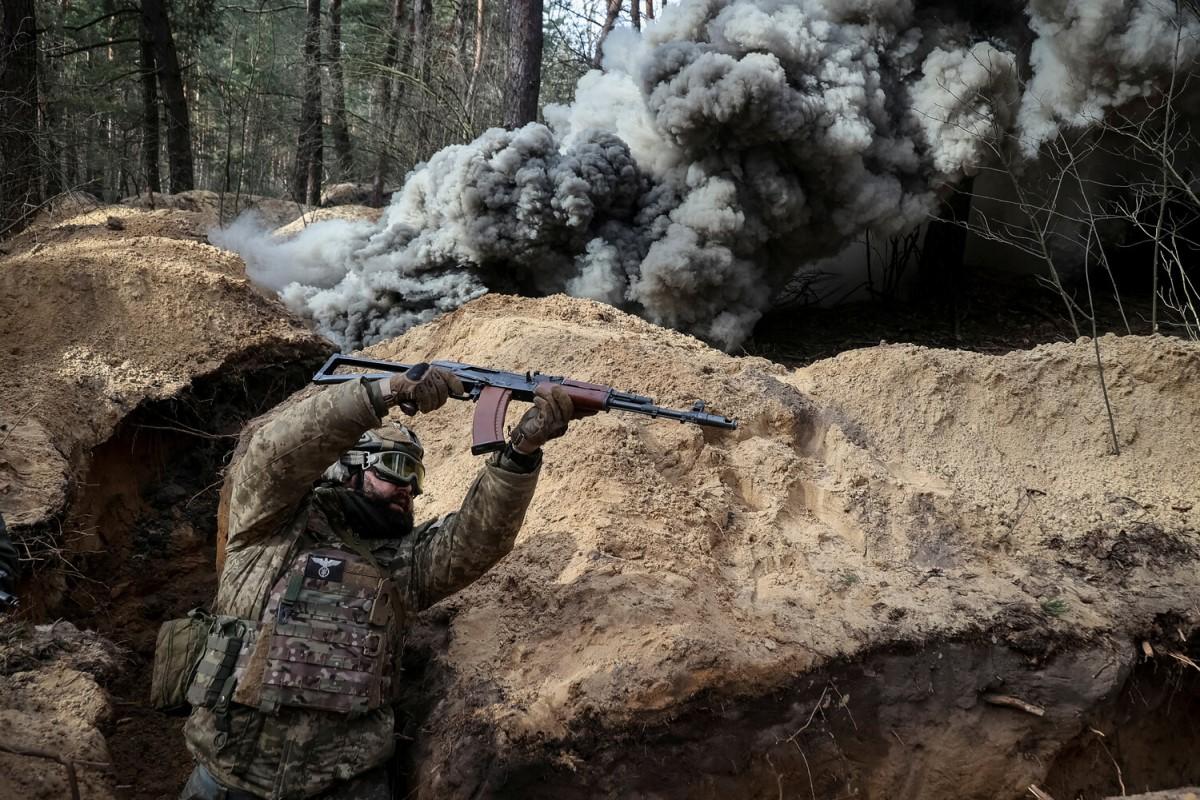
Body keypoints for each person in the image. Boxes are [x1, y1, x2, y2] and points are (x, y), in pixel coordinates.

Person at [179, 364, 574, 800]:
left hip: (347, 787)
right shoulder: (268, 526)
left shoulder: (404, 563)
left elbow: (477, 540)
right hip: (226, 778)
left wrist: (521, 452)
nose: (409, 486)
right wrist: (381, 393)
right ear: (346, 467)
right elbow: (274, 454)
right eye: (393, 468)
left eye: (416, 476)